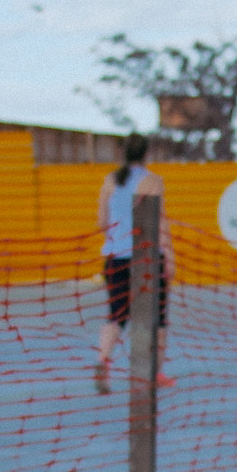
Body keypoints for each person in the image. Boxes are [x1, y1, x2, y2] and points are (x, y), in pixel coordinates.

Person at [94, 134, 166, 390]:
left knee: (116, 316)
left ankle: (103, 359)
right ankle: (152, 374)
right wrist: (170, 258)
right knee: (155, 319)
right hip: (145, 258)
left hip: (116, 258)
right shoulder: (153, 181)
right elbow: (159, 224)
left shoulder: (109, 181)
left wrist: (115, 242)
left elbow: (101, 222)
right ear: (147, 153)